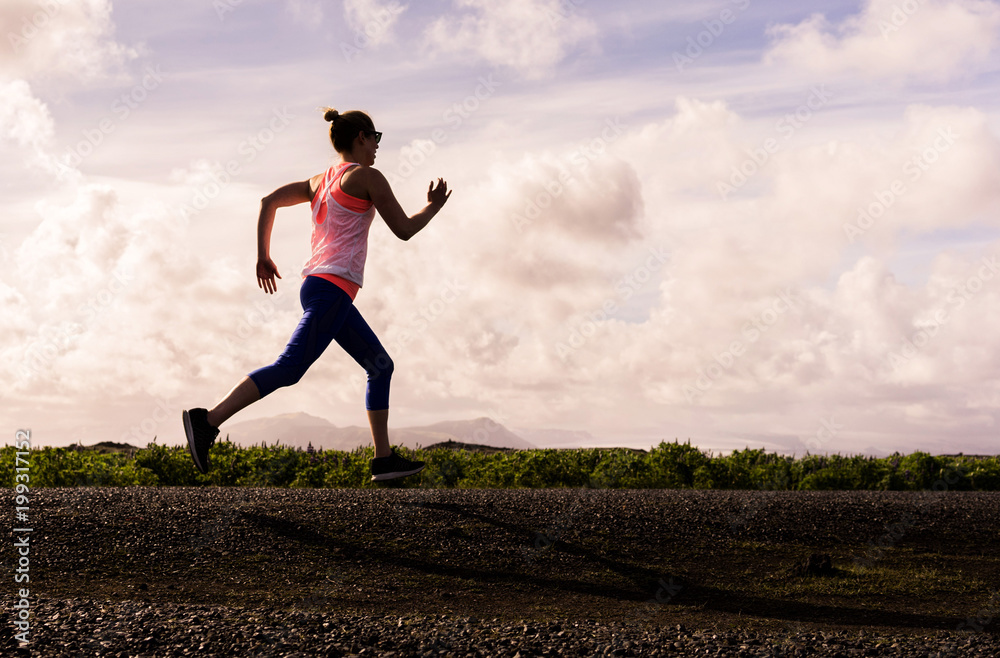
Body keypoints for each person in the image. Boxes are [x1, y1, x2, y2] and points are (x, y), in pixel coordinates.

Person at [183, 108, 451, 482]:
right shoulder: (368, 177)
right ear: (361, 137)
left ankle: (383, 460)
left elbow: (268, 201)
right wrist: (433, 207)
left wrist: (263, 255)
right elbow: (404, 229)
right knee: (289, 368)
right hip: (332, 288)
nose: (377, 146)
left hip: (319, 287)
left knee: (380, 366)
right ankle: (207, 421)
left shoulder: (319, 181)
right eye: (376, 138)